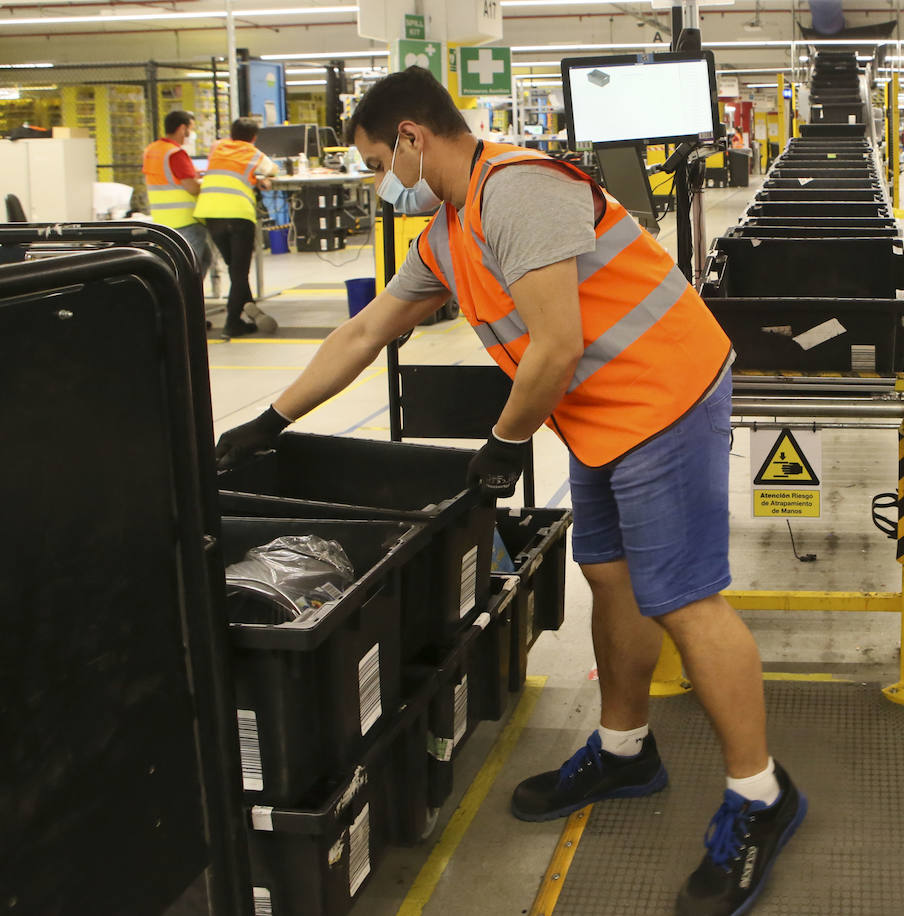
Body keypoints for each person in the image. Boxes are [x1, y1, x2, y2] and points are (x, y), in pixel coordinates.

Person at [213, 66, 805, 916]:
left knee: (685, 600)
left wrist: (504, 444)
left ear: (414, 138)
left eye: (382, 159)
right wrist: (267, 421)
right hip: (601, 415)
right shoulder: (449, 229)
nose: (383, 181)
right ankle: (626, 748)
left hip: (664, 395)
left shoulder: (516, 190)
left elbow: (557, 344)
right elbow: (366, 328)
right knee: (611, 576)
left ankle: (762, 796)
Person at [193, 117, 278, 337]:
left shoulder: (218, 149)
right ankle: (232, 323)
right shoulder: (252, 152)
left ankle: (250, 310)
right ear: (254, 137)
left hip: (210, 214)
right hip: (238, 215)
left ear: (231, 133)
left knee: (235, 268)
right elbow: (272, 170)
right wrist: (259, 179)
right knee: (239, 272)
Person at [142, 110, 210, 279]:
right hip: (186, 220)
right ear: (182, 128)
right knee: (189, 269)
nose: (191, 134)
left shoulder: (152, 149)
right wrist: (207, 184)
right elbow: (192, 187)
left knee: (203, 258)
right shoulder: (176, 153)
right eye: (191, 129)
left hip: (163, 220)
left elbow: (168, 178)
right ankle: (185, 303)